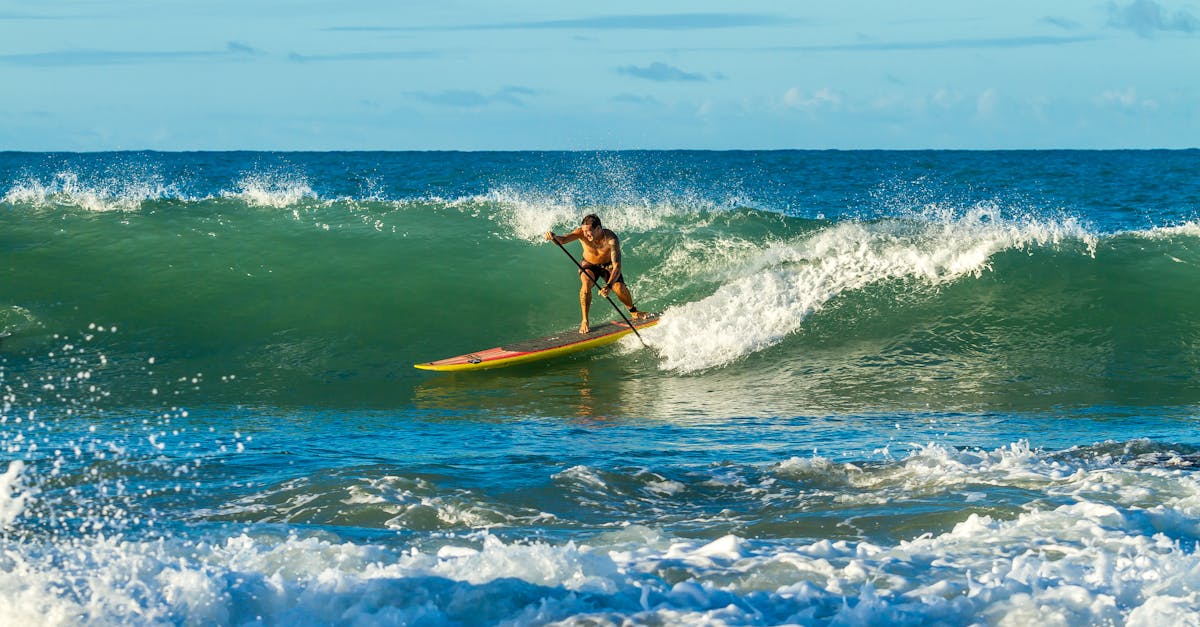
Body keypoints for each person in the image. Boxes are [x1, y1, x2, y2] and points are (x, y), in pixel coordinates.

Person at [545, 214, 649, 333]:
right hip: (589, 263)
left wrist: (608, 286)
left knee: (619, 288)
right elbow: (562, 240)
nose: (585, 234)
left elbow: (617, 266)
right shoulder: (580, 233)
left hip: (608, 265)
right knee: (585, 285)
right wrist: (553, 237)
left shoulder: (611, 239)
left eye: (588, 231)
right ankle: (585, 320)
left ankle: (633, 311)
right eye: (584, 231)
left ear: (598, 229)